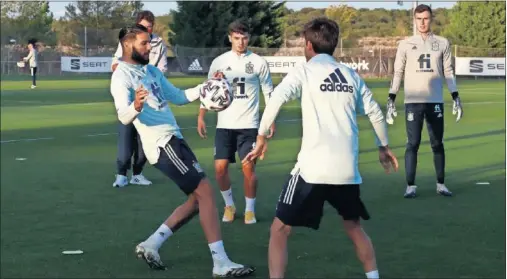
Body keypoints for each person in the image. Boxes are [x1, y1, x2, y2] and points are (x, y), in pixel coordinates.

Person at [242, 18, 399, 279]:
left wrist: (261, 136)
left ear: (308, 45)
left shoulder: (304, 71)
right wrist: (383, 147)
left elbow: (277, 98)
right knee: (353, 226)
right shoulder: (350, 75)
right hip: (347, 171)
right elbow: (375, 113)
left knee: (280, 230)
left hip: (311, 171)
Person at [109, 24, 254, 277]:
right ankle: (220, 263)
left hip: (174, 140)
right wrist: (136, 105)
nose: (149, 47)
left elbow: (177, 96)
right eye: (144, 43)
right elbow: (123, 116)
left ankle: (151, 244)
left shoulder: (151, 71)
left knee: (198, 201)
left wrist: (208, 86)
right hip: (162, 143)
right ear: (128, 43)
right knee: (206, 193)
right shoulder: (121, 76)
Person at [197, 20, 275, 225]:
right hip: (224, 125)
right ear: (230, 38)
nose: (241, 42)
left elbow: (268, 92)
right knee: (220, 168)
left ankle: (250, 210)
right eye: (237, 38)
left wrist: (270, 120)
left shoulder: (258, 62)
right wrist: (201, 116)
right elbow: (208, 90)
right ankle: (229, 206)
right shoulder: (219, 62)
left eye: (245, 38)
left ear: (249, 38)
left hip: (249, 125)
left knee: (248, 168)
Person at [385, 4, 463, 198]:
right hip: (413, 101)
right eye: (419, 19)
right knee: (413, 143)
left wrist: (455, 95)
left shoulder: (442, 43)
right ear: (414, 19)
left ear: (431, 19)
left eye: (426, 18)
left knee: (437, 143)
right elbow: (398, 72)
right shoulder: (405, 44)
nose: (422, 22)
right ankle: (410, 186)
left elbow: (448, 71)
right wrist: (391, 97)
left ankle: (441, 184)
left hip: (435, 101)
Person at [111, 10, 168, 187]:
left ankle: (138, 173)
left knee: (145, 141)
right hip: (130, 97)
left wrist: (148, 78)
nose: (147, 30)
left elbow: (162, 70)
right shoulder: (128, 40)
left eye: (150, 27)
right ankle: (121, 175)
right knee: (126, 138)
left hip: (150, 98)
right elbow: (115, 64)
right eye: (144, 27)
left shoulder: (158, 44)